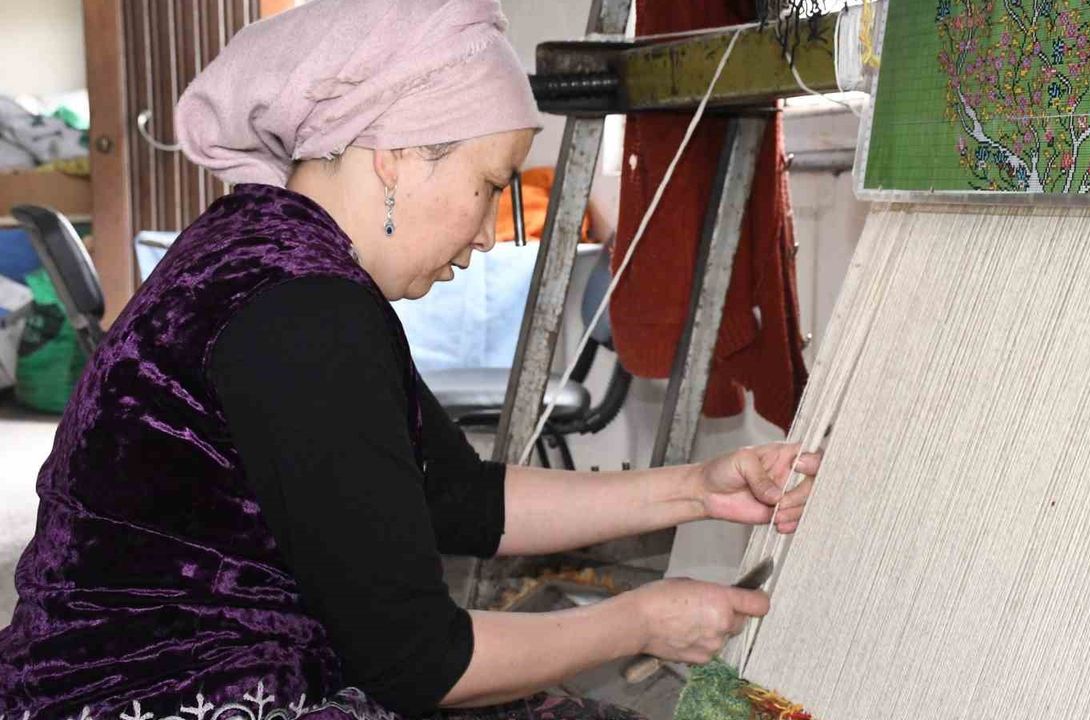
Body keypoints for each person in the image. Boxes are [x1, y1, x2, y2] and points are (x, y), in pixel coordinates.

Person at [0, 1, 818, 719]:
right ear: (394, 153)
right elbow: (419, 661)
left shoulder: (262, 251)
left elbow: (457, 499)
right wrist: (641, 620)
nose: (488, 232)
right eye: (490, 185)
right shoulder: (306, 314)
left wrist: (697, 490)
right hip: (158, 695)